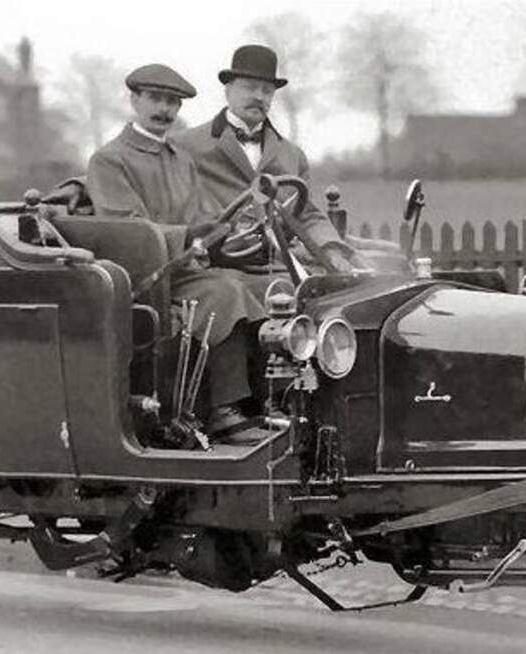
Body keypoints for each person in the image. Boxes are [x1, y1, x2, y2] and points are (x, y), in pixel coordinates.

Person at [86, 63, 267, 438]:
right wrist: (188, 235)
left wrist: (230, 232)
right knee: (226, 292)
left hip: (182, 270)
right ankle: (223, 411)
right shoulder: (110, 160)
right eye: (155, 99)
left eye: (173, 102)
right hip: (142, 280)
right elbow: (128, 231)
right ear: (134, 100)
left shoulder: (181, 159)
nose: (164, 110)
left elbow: (203, 217)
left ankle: (265, 404)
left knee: (260, 286)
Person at [174, 44, 359, 271]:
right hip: (218, 268)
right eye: (250, 88)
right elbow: (175, 211)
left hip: (283, 267)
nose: (259, 97)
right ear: (228, 90)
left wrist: (331, 250)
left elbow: (307, 215)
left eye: (267, 90)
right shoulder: (186, 146)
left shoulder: (293, 155)